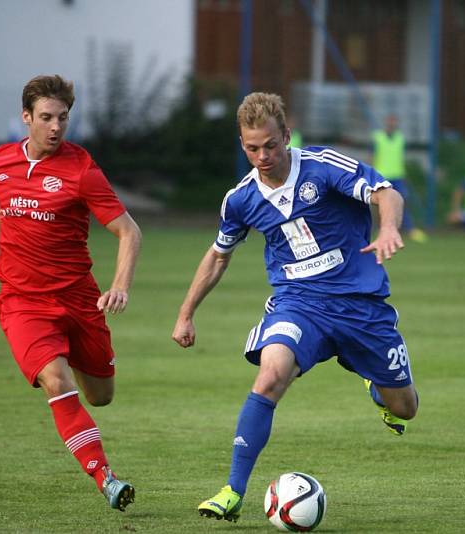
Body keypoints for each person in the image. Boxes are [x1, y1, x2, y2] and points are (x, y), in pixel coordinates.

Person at [172, 93, 419, 523]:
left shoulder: (323, 167)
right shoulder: (241, 199)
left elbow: (386, 192)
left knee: (405, 407)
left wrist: (389, 229)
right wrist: (185, 312)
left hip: (360, 306)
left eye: (270, 145)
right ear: (242, 144)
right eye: (252, 148)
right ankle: (232, 490)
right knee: (270, 376)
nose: (263, 156)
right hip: (298, 304)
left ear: (286, 136)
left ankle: (374, 385)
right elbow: (218, 255)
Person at [0, 75, 142, 512]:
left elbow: (129, 230)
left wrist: (119, 285)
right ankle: (105, 476)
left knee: (101, 395)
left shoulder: (82, 170)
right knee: (56, 380)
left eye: (63, 118)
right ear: (25, 118)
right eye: (46, 117)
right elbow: (5, 205)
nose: (55, 127)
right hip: (23, 303)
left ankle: (76, 372)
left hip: (79, 301)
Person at [371, 114, 427, 243]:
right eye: (390, 121)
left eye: (394, 122)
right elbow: (372, 155)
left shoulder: (400, 138)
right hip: (382, 175)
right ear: (386, 122)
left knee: (403, 200)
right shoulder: (378, 137)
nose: (392, 124)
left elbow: (399, 157)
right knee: (377, 203)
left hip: (398, 175)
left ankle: (409, 229)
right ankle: (378, 228)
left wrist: (404, 174)